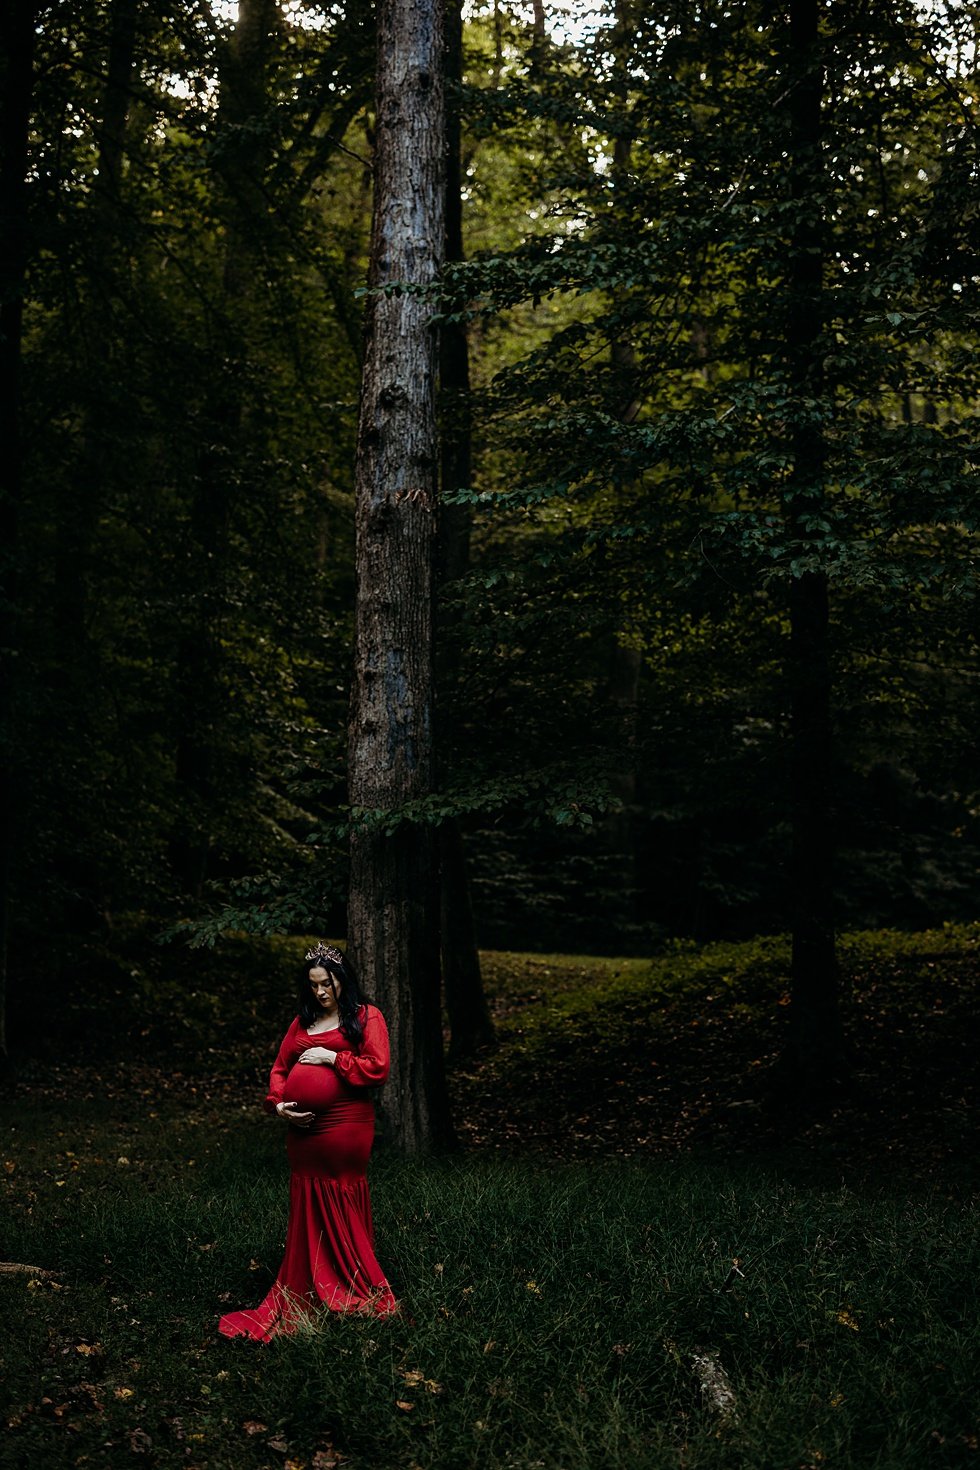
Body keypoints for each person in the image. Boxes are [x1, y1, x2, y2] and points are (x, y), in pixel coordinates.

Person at [218, 942, 397, 1340]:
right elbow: (280, 1069)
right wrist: (279, 1106)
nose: (321, 992)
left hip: (346, 1126)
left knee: (340, 1193)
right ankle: (306, 1285)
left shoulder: (367, 1017)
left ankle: (352, 1282)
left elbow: (378, 1067)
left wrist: (332, 1059)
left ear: (342, 980)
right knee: (308, 1199)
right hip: (303, 1134)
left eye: (327, 983)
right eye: (314, 985)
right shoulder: (303, 1022)